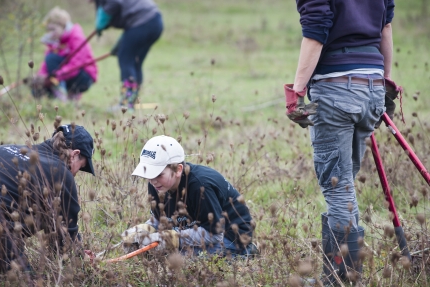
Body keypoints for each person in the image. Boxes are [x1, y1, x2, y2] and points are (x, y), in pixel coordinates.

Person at [285, 0, 398, 284]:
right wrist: (385, 80)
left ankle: (340, 279)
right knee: (344, 184)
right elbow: (385, 26)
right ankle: (340, 274)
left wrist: (298, 91)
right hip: (372, 85)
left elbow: (316, 31)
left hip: (336, 88)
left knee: (339, 190)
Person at [0, 123, 95, 275]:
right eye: (81, 166)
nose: (76, 173)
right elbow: (65, 236)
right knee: (25, 280)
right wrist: (80, 257)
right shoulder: (60, 173)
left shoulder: (8, 149)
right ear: (74, 155)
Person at [122, 135, 257, 258]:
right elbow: (161, 219)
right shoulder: (157, 184)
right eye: (148, 174)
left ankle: (244, 253)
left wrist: (173, 238)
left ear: (178, 169)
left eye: (157, 174)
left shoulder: (200, 186)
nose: (152, 180)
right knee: (151, 251)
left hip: (229, 235)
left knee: (176, 258)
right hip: (194, 227)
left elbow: (214, 234)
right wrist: (144, 229)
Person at [94, 0, 163, 112]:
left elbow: (115, 3)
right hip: (155, 20)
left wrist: (101, 22)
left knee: (126, 60)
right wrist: (121, 44)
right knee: (136, 62)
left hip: (143, 21)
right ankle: (131, 102)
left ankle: (126, 104)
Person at [34, 7, 98, 102]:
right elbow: (46, 64)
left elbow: (76, 64)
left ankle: (62, 96)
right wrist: (41, 76)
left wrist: (57, 76)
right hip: (64, 74)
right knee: (37, 89)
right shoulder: (55, 41)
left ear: (62, 26)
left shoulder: (76, 37)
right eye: (48, 30)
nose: (51, 34)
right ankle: (67, 98)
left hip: (84, 75)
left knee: (51, 59)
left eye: (53, 29)